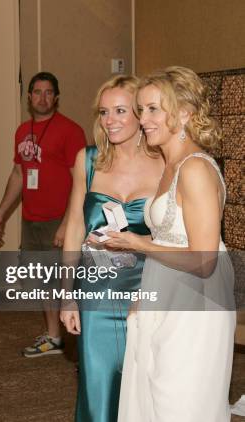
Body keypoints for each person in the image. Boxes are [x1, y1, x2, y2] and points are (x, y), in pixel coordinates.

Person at [103, 67, 235, 421]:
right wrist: (126, 243)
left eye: (152, 109)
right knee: (151, 393)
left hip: (197, 299)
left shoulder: (195, 169)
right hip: (165, 289)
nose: (141, 119)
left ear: (184, 113)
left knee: (180, 401)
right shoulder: (169, 163)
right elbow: (173, 236)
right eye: (141, 109)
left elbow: (205, 259)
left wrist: (140, 245)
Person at [59, 75, 164, 422]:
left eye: (120, 110)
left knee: (148, 388)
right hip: (97, 289)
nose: (110, 120)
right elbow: (74, 226)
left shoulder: (165, 162)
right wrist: (67, 293)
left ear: (139, 115)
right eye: (104, 112)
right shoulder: (87, 160)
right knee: (99, 385)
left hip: (150, 289)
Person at [0, 72, 86, 357]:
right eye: (37, 92)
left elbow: (80, 180)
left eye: (48, 92)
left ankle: (80, 335)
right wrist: (1, 213)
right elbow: (19, 174)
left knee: (66, 280)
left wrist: (67, 224)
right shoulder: (22, 131)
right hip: (32, 219)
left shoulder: (71, 131)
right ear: (29, 96)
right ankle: (54, 337)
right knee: (41, 281)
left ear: (56, 97)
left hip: (60, 219)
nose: (42, 97)